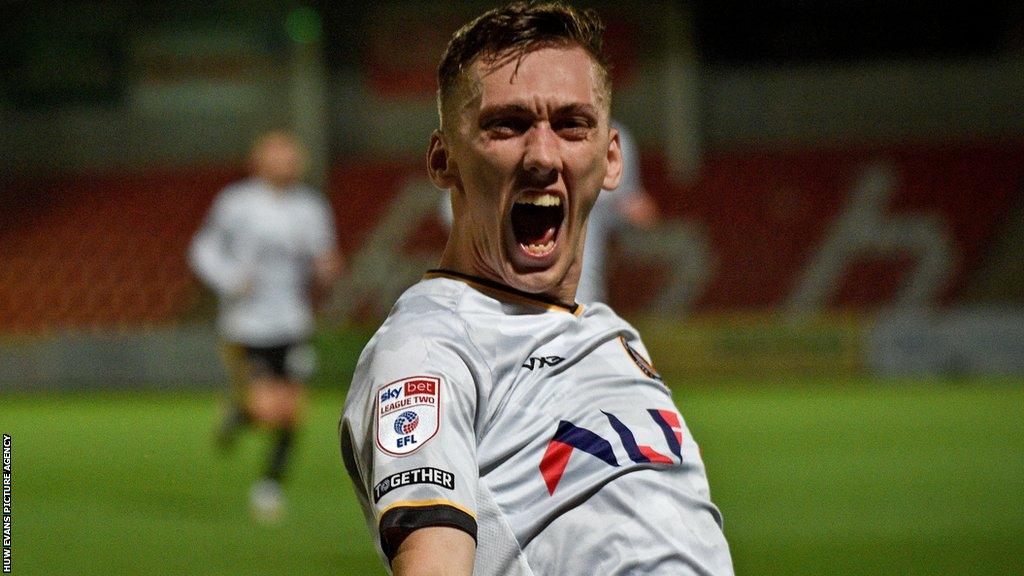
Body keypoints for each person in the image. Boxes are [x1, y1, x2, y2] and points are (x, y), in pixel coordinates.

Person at [339, 3, 733, 575]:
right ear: (443, 159)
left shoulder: (611, 337)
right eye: (508, 124)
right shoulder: (430, 351)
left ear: (612, 158)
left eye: (572, 124)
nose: (544, 156)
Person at [190, 131, 341, 523]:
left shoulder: (311, 207)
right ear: (259, 160)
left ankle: (269, 486)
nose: (287, 162)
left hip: (291, 322)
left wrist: (326, 267)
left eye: (292, 156)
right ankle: (239, 414)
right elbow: (203, 249)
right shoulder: (236, 203)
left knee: (292, 411)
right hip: (246, 325)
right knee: (267, 406)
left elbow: (322, 255)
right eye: (278, 155)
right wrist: (229, 278)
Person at [438, 119, 659, 305]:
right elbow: (452, 213)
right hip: (505, 300)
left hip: (581, 297)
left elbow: (637, 210)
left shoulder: (607, 139)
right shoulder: (500, 140)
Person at [575, 119, 658, 304]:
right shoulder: (556, 133)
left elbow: (635, 203)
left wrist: (632, 205)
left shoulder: (618, 135)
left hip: (615, 226)